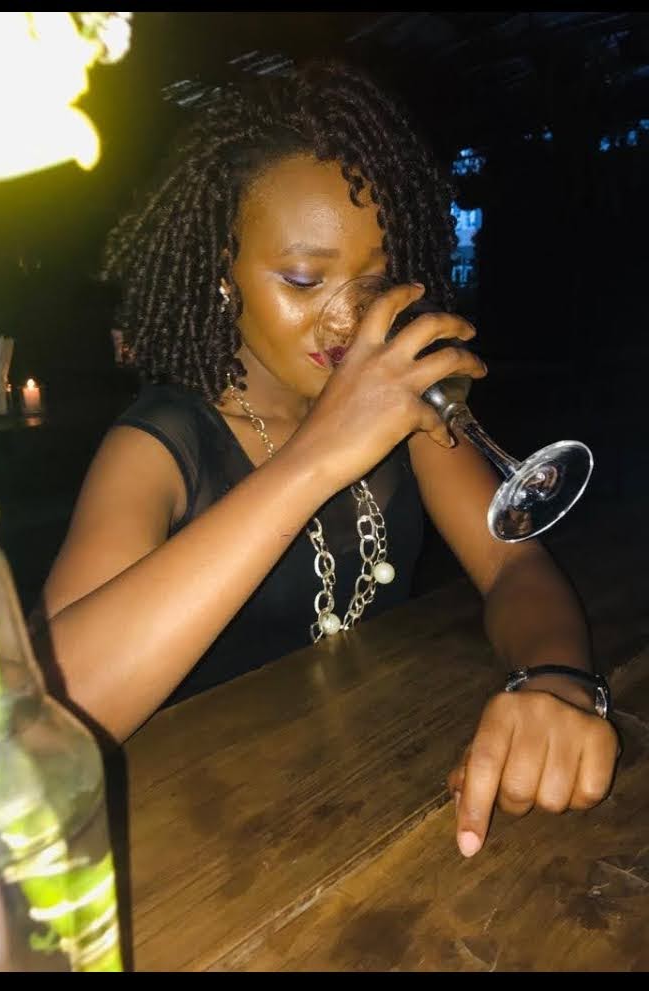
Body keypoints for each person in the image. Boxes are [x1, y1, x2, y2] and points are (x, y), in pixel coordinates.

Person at [40, 59, 619, 859]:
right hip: (200, 846)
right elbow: (50, 716)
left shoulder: (406, 414)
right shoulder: (159, 446)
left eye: (374, 281)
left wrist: (555, 681)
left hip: (383, 804)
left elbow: (514, 565)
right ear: (221, 274)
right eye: (304, 279)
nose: (347, 319)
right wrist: (318, 456)